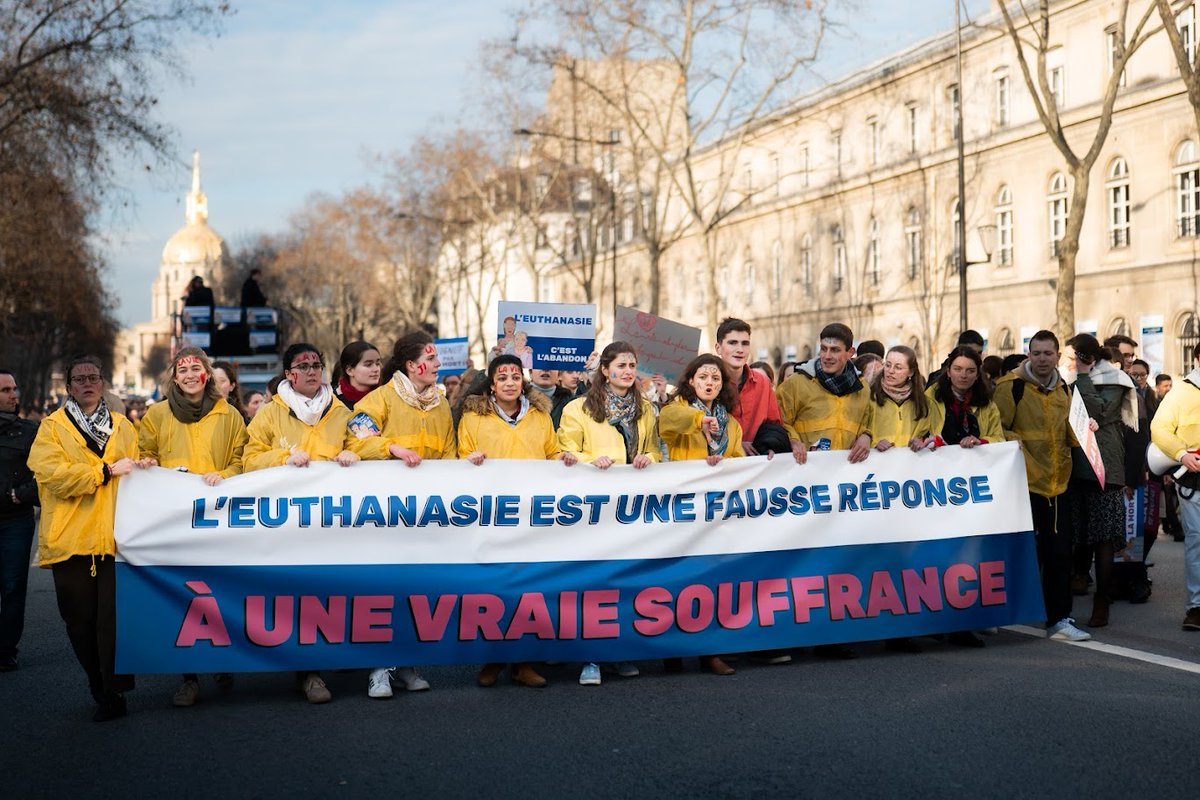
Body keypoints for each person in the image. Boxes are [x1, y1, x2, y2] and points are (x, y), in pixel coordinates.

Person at [244, 343, 362, 704]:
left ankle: (328, 660)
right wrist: (283, 458)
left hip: (334, 523)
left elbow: (368, 445)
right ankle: (308, 674)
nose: (312, 370)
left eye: (317, 364)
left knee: (331, 594)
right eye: (304, 366)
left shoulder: (342, 411)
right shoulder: (270, 414)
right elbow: (248, 460)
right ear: (289, 375)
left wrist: (354, 451)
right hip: (288, 524)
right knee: (300, 597)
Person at [28, 356, 145, 721]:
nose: (88, 384)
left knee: (110, 622)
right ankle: (96, 681)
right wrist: (105, 470)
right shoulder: (52, 428)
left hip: (113, 539)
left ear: (103, 383)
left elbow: (135, 474)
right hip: (70, 539)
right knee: (78, 622)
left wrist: (143, 468)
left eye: (93, 377)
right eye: (80, 379)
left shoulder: (124, 426)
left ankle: (113, 691)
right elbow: (54, 475)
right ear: (70, 387)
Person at [459, 355, 578, 688]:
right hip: (492, 516)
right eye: (502, 377)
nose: (509, 382)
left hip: (531, 517)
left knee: (529, 591)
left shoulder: (540, 416)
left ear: (523, 381)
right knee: (495, 591)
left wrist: (562, 458)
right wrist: (469, 459)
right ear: (492, 384)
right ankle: (492, 660)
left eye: (515, 376)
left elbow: (551, 451)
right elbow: (459, 456)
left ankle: (523, 663)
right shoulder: (472, 417)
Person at [138, 346, 247, 707]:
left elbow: (241, 458)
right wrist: (148, 462)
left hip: (218, 517)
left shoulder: (228, 414)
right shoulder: (155, 414)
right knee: (184, 596)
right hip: (176, 522)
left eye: (195, 369)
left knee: (218, 593)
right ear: (174, 376)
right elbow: (145, 453)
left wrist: (227, 474)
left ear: (206, 374)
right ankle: (189, 678)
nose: (188, 376)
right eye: (181, 370)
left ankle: (221, 659)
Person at [352, 331, 453, 698]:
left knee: (419, 592)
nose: (438, 365)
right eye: (432, 358)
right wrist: (391, 447)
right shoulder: (380, 399)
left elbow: (450, 455)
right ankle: (379, 670)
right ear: (412, 365)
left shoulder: (441, 404)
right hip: (386, 515)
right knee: (385, 592)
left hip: (426, 516)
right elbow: (355, 440)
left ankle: (408, 665)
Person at [558, 342, 660, 684]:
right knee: (595, 583)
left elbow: (655, 450)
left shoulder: (646, 409)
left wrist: (650, 459)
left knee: (628, 580)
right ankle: (591, 658)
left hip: (632, 508)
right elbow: (564, 451)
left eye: (633, 364)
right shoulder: (578, 409)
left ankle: (620, 652)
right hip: (594, 508)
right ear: (605, 370)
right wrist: (590, 461)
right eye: (621, 365)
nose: (628, 370)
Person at [993, 331, 1090, 642]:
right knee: (1015, 552)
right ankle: (997, 614)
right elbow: (996, 428)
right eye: (1037, 353)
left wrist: (1085, 430)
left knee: (1060, 555)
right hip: (1022, 482)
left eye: (1048, 353)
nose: (1043, 359)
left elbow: (1068, 433)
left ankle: (1059, 619)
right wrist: (1011, 440)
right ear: (1029, 354)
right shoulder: (1011, 387)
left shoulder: (1064, 388)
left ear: (1058, 356)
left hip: (1057, 483)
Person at [658, 354, 743, 676]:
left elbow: (736, 461)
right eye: (704, 377)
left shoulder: (731, 424)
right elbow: (669, 423)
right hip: (681, 510)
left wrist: (732, 464)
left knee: (712, 583)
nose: (710, 382)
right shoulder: (676, 410)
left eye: (716, 378)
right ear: (691, 380)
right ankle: (672, 653)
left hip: (716, 512)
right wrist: (698, 421)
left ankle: (710, 652)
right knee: (677, 580)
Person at [925, 345, 1004, 648]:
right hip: (935, 490)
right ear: (948, 371)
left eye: (970, 370)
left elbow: (998, 439)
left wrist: (982, 441)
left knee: (966, 558)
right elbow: (920, 430)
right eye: (958, 369)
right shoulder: (932, 398)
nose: (964, 375)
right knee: (937, 555)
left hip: (970, 492)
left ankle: (962, 624)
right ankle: (933, 619)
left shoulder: (986, 404)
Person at [1062, 333, 1138, 629]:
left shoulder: (1114, 379)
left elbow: (1099, 411)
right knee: (1076, 535)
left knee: (1103, 538)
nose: (1065, 363)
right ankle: (1074, 585)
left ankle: (1102, 601)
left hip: (1102, 468)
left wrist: (1081, 377)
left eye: (1071, 357)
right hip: (1072, 466)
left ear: (1087, 359)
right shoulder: (1063, 379)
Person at [865, 346, 931, 654]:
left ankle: (900, 628)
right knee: (874, 559)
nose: (890, 371)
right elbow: (856, 431)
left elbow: (935, 434)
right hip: (873, 493)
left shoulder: (925, 404)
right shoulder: (867, 398)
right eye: (887, 365)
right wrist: (867, 438)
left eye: (897, 367)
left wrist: (925, 440)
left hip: (908, 494)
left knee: (906, 561)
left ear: (911, 372)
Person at [1151, 343, 1200, 631]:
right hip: (1193, 477)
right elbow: (1159, 429)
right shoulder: (1181, 391)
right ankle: (1196, 605)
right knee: (1196, 540)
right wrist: (1182, 454)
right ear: (1197, 358)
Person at [776, 322, 872, 466]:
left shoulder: (862, 388)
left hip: (845, 475)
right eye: (823, 349)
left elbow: (869, 421)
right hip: (804, 474)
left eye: (835, 350)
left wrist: (866, 436)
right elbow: (777, 419)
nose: (827, 356)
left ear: (850, 353)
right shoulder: (796, 383)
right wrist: (793, 441)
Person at [0, 370, 39, 672]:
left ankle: (6, 650)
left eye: (14, 388)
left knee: (13, 587)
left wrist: (20, 494)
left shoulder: (30, 431)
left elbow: (47, 475)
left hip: (16, 521)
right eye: (5, 390)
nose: (14, 395)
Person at [714, 318, 787, 457]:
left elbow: (775, 425)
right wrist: (734, 444)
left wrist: (773, 446)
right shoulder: (707, 383)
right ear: (718, 348)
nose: (740, 349)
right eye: (732, 343)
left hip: (756, 466)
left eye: (745, 343)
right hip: (719, 467)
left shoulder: (763, 383)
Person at [332, 340, 382, 410]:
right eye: (368, 365)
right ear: (349, 370)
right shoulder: (331, 402)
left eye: (377, 364)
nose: (376, 369)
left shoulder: (385, 398)